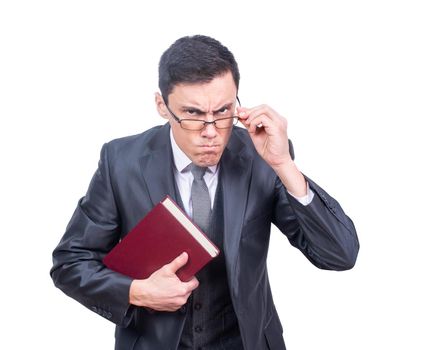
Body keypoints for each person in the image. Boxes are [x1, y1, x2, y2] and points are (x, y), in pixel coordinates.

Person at [50, 35, 359, 350]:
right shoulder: (121, 162)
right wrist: (137, 291)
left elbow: (340, 254)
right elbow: (70, 264)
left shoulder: (262, 157)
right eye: (194, 114)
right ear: (162, 106)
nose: (211, 132)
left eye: (223, 111)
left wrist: (283, 164)